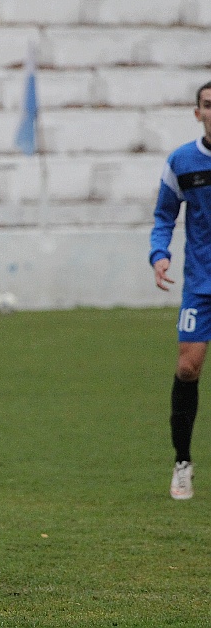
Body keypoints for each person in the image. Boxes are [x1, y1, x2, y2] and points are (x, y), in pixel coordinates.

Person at [151, 79, 211, 501]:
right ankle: (183, 462)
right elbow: (163, 215)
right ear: (198, 113)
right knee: (188, 367)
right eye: (208, 105)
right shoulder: (183, 160)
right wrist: (159, 254)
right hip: (200, 284)